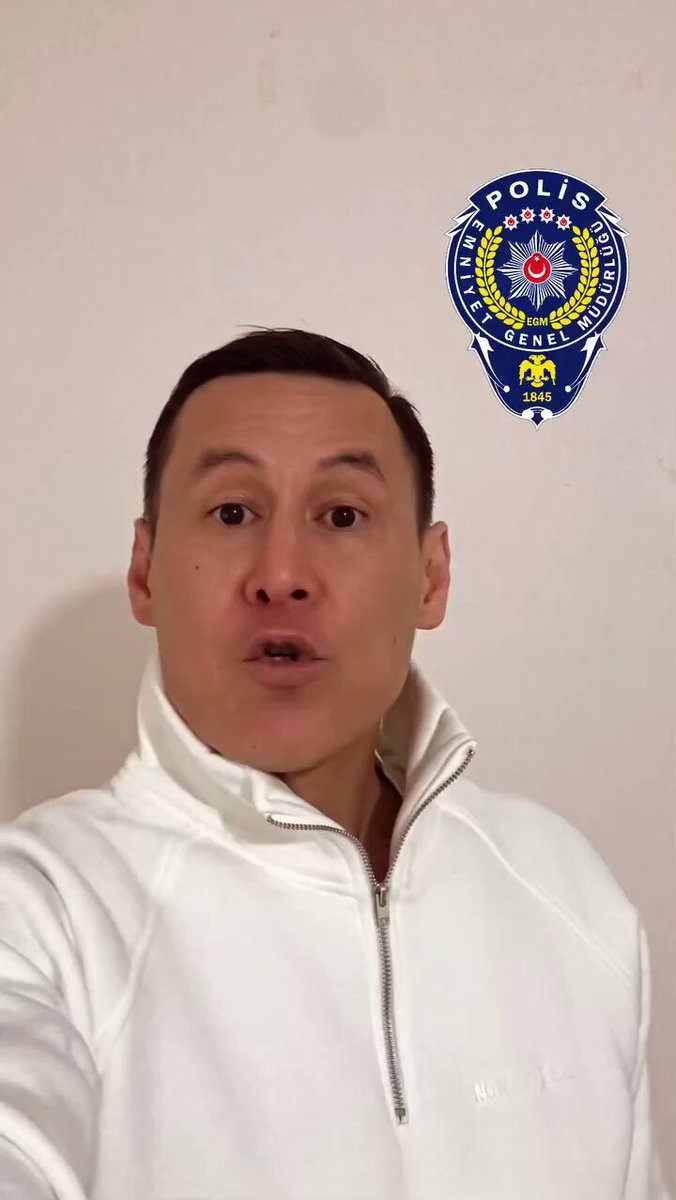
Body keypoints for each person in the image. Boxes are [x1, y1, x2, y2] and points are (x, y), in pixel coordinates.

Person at [0, 327, 670, 1199]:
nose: (282, 574)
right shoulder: (40, 911)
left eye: (342, 516)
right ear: (145, 572)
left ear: (431, 577)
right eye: (232, 512)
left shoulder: (567, 890)